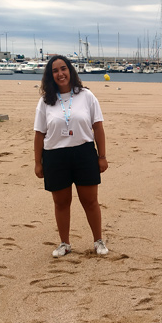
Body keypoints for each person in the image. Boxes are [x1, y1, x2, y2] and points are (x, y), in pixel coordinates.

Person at [33, 55, 109, 257]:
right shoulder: (45, 102)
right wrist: (37, 163)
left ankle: (98, 241)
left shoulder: (86, 96)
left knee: (90, 201)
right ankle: (64, 243)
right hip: (55, 156)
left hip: (83, 153)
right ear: (51, 76)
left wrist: (102, 156)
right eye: (55, 71)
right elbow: (39, 134)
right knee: (61, 202)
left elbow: (98, 127)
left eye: (63, 69)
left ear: (71, 71)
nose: (60, 74)